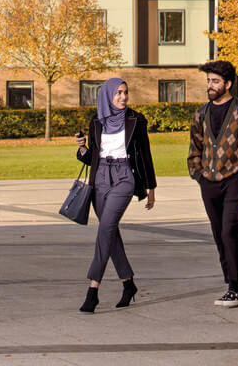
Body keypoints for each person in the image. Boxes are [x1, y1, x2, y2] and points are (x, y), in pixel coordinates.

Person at [187, 60, 238, 308]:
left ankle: (234, 287)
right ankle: (229, 282)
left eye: (215, 81)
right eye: (208, 81)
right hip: (208, 182)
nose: (210, 86)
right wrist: (198, 174)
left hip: (234, 179)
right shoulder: (201, 114)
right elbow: (194, 149)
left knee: (229, 229)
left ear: (228, 84)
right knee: (217, 233)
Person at [73, 78, 156, 313]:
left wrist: (151, 188)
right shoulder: (97, 121)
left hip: (124, 178)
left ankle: (93, 290)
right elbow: (93, 158)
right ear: (107, 95)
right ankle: (128, 284)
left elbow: (145, 155)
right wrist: (82, 148)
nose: (123, 97)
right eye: (118, 93)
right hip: (100, 179)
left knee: (105, 228)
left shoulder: (136, 120)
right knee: (110, 233)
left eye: (125, 93)